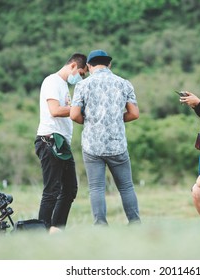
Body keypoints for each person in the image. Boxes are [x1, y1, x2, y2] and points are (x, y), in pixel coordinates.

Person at [70, 49, 141, 226]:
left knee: (96, 188)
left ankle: (100, 224)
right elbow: (134, 114)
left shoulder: (83, 85)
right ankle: (134, 222)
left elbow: (74, 115)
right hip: (117, 144)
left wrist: (87, 121)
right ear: (109, 64)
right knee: (126, 187)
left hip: (92, 145)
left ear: (89, 66)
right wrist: (117, 118)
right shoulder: (124, 83)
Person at [35, 53, 87, 233]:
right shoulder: (52, 81)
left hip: (62, 143)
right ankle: (41, 232)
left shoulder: (64, 85)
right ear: (73, 66)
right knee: (52, 190)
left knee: (70, 188)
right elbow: (55, 110)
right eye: (81, 73)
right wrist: (79, 108)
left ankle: (56, 230)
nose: (80, 78)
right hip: (50, 140)